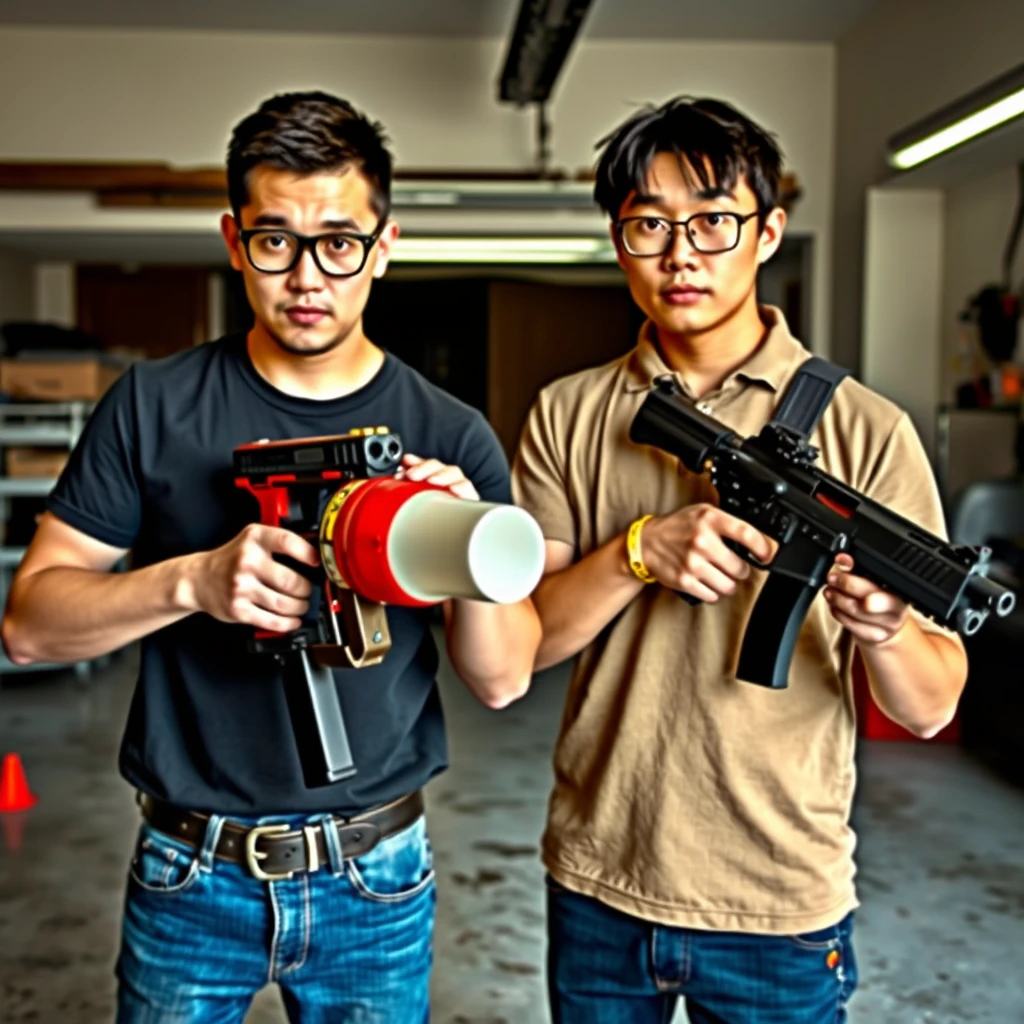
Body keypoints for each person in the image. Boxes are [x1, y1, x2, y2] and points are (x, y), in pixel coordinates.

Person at [1, 90, 540, 1023]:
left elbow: (500, 681)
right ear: (231, 238)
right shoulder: (153, 406)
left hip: (376, 875)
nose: (306, 276)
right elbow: (30, 625)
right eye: (274, 240)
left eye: (339, 241)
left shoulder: (446, 433)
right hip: (188, 871)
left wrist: (465, 547)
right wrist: (193, 581)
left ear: (384, 245)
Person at [511, 96, 967, 1024]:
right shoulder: (567, 413)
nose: (683, 253)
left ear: (768, 232)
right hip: (603, 876)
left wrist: (882, 631)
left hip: (778, 899)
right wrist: (639, 552)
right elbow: (524, 646)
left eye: (715, 220)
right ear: (618, 239)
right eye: (650, 224)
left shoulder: (868, 431)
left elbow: (930, 707)